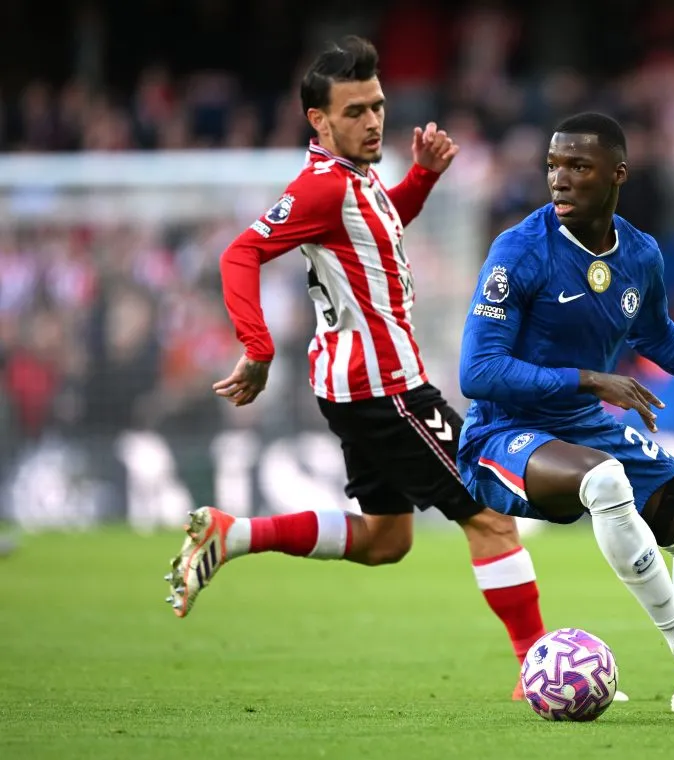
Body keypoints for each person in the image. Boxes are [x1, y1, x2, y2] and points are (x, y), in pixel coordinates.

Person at [162, 36, 573, 702]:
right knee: (492, 514)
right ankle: (539, 673)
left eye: (377, 105)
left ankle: (233, 534)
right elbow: (239, 254)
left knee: (387, 540)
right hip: (386, 387)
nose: (373, 121)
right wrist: (257, 347)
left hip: (357, 387)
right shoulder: (321, 187)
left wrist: (422, 179)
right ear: (319, 121)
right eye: (354, 111)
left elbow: (377, 227)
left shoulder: (355, 181)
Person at [457, 112, 674, 715]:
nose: (560, 179)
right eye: (553, 165)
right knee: (605, 479)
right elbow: (477, 372)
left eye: (578, 166)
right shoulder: (519, 250)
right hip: (505, 433)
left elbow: (656, 334)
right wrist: (588, 378)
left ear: (618, 174)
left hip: (581, 426)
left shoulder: (639, 253)